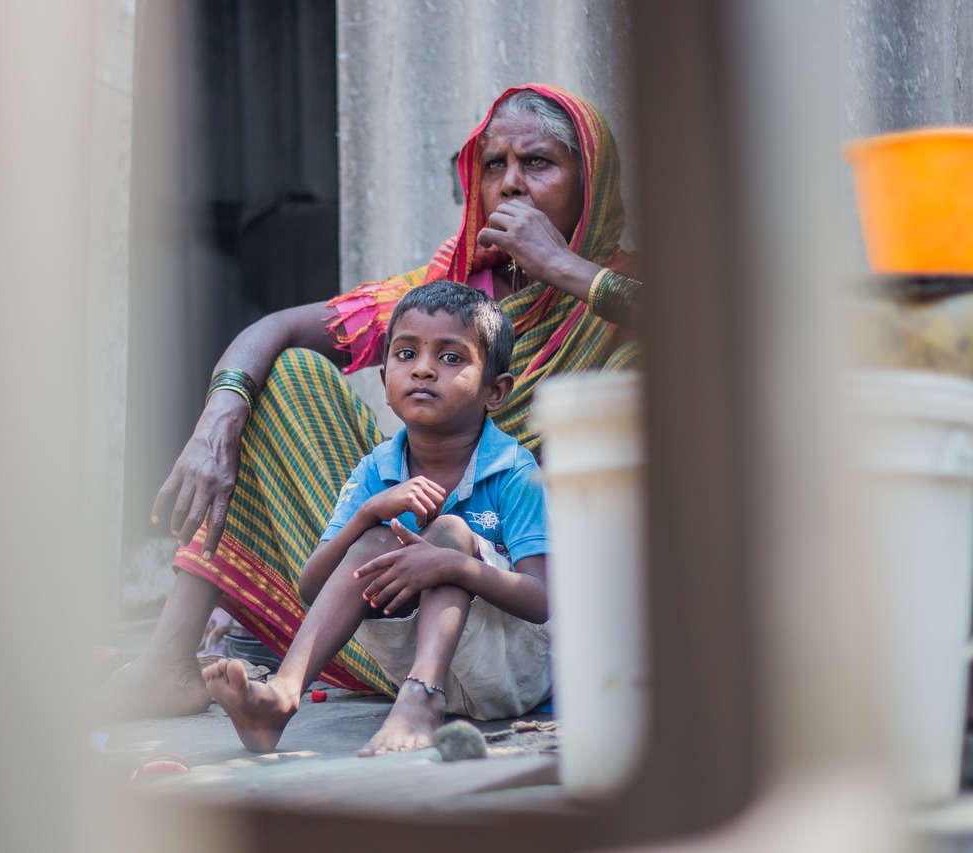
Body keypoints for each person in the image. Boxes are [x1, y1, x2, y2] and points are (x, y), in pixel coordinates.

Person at [104, 83, 642, 718]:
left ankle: (420, 692)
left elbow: (718, 343)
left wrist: (564, 268)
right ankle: (173, 658)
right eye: (494, 165)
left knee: (458, 532)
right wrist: (218, 416)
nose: (512, 184)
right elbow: (276, 328)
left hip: (516, 613)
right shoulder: (450, 290)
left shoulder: (619, 295)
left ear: (592, 181)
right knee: (287, 372)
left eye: (539, 163)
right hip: (384, 601)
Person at [204, 281, 551, 755]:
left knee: (448, 533)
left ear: (496, 391)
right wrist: (369, 512)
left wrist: (453, 566)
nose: (424, 369)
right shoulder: (376, 470)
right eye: (406, 354)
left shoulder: (513, 470)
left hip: (511, 671)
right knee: (369, 542)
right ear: (385, 375)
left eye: (451, 358)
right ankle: (282, 698)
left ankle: (420, 700)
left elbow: (542, 600)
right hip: (419, 658)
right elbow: (310, 587)